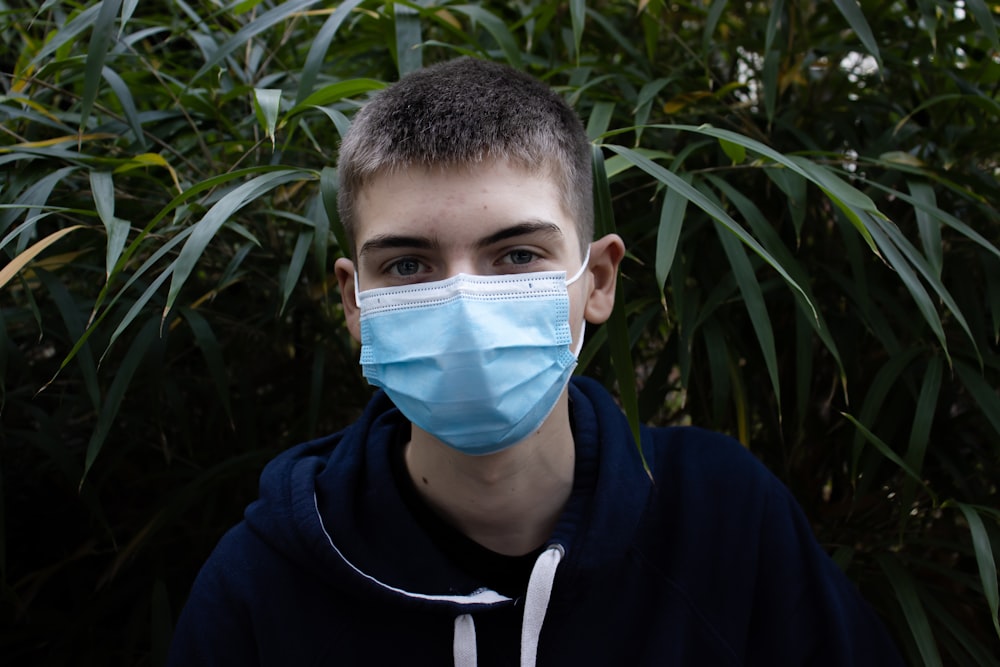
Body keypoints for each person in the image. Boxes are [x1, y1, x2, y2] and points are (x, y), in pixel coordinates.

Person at [168, 58, 904, 667]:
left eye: (517, 254)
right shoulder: (259, 586)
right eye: (407, 264)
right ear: (353, 300)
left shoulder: (725, 518)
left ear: (598, 279)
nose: (464, 303)